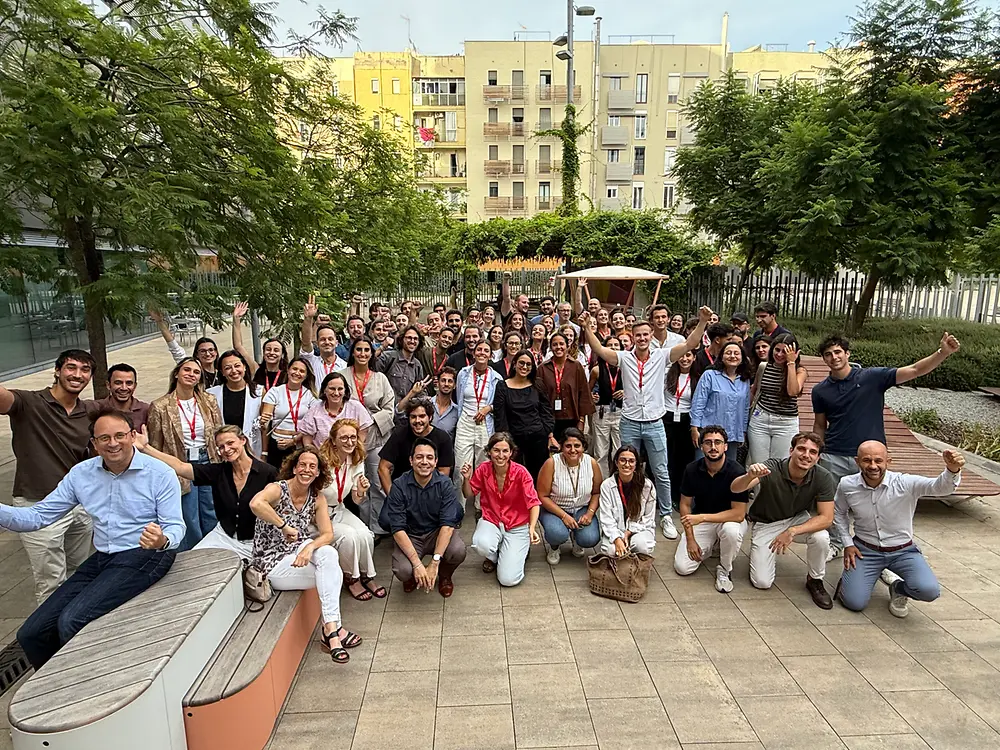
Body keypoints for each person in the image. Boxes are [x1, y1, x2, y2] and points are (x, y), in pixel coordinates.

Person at [4, 408, 182, 669]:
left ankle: (87, 682)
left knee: (72, 620)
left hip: (146, 554)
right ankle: (55, 682)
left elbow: (175, 525)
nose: (113, 443)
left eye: (120, 435)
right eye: (104, 438)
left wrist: (162, 540)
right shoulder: (82, 474)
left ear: (133, 436)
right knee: (31, 633)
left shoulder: (160, 473)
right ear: (94, 444)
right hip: (103, 558)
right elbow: (37, 517)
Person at [812, 331, 961, 559]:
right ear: (824, 359)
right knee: (832, 504)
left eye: (838, 352)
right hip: (834, 456)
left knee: (879, 505)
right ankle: (836, 544)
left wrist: (943, 352)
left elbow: (914, 370)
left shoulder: (872, 377)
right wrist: (817, 452)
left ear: (847, 354)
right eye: (828, 354)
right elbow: (820, 425)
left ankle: (879, 551)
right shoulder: (820, 390)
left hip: (871, 458)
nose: (834, 357)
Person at [582, 308, 712, 541]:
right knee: (627, 468)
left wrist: (702, 321)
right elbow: (599, 349)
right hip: (629, 422)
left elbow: (690, 344)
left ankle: (665, 515)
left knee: (661, 470)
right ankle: (626, 512)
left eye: (645, 334)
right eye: (638, 335)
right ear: (632, 337)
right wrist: (586, 328)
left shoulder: (662, 356)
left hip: (654, 423)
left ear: (651, 336)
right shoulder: (624, 358)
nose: (642, 338)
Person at [0, 350, 99, 603]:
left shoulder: (88, 411)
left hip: (78, 505)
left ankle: (75, 622)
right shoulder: (28, 402)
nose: (77, 374)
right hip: (37, 504)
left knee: (81, 572)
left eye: (85, 370)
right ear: (57, 370)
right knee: (51, 581)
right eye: (71, 367)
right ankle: (49, 628)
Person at [249, 447, 360, 664]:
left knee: (328, 553)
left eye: (312, 466)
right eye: (302, 465)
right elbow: (255, 503)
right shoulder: (278, 489)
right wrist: (283, 526)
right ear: (294, 468)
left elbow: (327, 534)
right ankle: (335, 631)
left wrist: (309, 548)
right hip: (271, 562)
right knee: (331, 573)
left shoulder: (316, 498)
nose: (306, 470)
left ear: (318, 472)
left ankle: (330, 630)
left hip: (298, 552)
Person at [835, 442, 962, 617]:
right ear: (857, 461)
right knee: (854, 602)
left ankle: (898, 588)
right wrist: (847, 543)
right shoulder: (847, 484)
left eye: (878, 460)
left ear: (888, 461)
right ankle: (860, 578)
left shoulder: (905, 483)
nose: (873, 466)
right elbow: (838, 512)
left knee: (929, 591)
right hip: (865, 551)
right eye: (867, 460)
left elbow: (940, 488)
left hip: (903, 551)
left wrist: (952, 470)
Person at [136, 423, 275, 559]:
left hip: (256, 541)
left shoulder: (268, 473)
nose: (226, 449)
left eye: (230, 443)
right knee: (192, 563)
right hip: (223, 536)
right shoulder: (218, 472)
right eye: (221, 447)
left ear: (243, 440)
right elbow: (180, 467)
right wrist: (146, 448)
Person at [731, 432, 836, 609]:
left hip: (797, 519)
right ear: (791, 451)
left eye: (812, 452)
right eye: (801, 449)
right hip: (767, 522)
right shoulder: (772, 466)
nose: (806, 455)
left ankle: (815, 579)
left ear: (818, 458)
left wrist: (792, 531)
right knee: (762, 582)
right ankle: (762, 553)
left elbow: (827, 518)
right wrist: (749, 475)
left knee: (821, 537)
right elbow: (735, 488)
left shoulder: (823, 476)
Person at [147, 357, 222, 550]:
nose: (191, 374)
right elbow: (155, 443)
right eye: (187, 370)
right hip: (179, 461)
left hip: (208, 459)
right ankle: (193, 552)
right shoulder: (160, 406)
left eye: (196, 372)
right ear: (177, 374)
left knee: (211, 508)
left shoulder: (209, 401)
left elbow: (219, 431)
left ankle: (214, 549)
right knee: (188, 512)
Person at [381, 438, 467, 597]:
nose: (424, 462)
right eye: (419, 457)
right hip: (411, 535)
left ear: (436, 462)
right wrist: (417, 564)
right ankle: (412, 577)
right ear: (411, 460)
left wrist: (434, 562)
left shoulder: (445, 484)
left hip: (436, 532)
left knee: (458, 550)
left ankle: (444, 575)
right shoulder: (399, 485)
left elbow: (448, 525)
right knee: (402, 569)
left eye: (429, 457)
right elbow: (397, 528)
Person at [674, 426, 749, 593]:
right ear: (701, 447)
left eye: (718, 442)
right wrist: (690, 539)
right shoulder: (692, 469)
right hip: (703, 522)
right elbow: (685, 505)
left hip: (729, 520)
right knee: (682, 568)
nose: (713, 447)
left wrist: (702, 518)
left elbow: (739, 514)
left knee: (731, 532)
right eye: (708, 443)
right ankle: (714, 544)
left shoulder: (737, 471)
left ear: (725, 446)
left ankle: (724, 569)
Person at [318, 419, 385, 601]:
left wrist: (361, 491)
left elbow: (356, 499)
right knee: (349, 536)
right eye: (344, 438)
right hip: (318, 514)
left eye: (353, 437)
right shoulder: (321, 462)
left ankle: (366, 574)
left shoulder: (355, 459)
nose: (350, 442)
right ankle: (351, 578)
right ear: (333, 440)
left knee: (366, 534)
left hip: (339, 509)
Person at [463, 433, 541, 586]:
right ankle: (495, 555)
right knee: (481, 544)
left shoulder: (521, 472)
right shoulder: (483, 469)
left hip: (517, 525)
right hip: (492, 520)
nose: (500, 455)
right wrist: (466, 478)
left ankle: (515, 551)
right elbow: (468, 493)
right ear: (489, 451)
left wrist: (532, 528)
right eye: (496, 450)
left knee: (508, 580)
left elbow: (534, 503)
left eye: (505, 451)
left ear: (511, 452)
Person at [340, 336, 396, 536]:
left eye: (366, 350)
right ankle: (363, 526)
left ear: (372, 354)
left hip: (376, 437)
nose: (362, 354)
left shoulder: (380, 378)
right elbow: (335, 403)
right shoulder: (342, 376)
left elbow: (390, 408)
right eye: (359, 349)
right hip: (348, 440)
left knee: (377, 482)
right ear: (352, 352)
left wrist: (369, 420)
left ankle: (378, 527)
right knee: (356, 483)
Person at [536, 429, 604, 564]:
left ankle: (577, 538)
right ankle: (554, 547)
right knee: (557, 533)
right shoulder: (551, 463)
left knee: (590, 538)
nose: (573, 450)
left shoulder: (591, 463)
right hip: (555, 509)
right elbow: (542, 496)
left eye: (577, 446)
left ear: (583, 447)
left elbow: (597, 492)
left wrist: (590, 513)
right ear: (561, 447)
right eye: (568, 446)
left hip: (582, 508)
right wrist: (564, 516)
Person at [493, 351, 557, 479]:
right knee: (514, 477)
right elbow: (500, 417)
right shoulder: (502, 386)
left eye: (529, 364)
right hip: (514, 441)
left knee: (538, 477)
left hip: (538, 439)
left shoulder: (537, 384)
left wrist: (546, 432)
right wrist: (506, 441)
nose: (525, 367)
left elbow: (546, 411)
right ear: (514, 364)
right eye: (521, 363)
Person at [747, 333, 807, 466]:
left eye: (784, 351)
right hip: (760, 419)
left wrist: (791, 363)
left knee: (780, 465)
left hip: (785, 422)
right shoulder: (764, 366)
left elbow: (792, 391)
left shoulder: (800, 371)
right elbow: (754, 390)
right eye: (777, 350)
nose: (779, 354)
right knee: (759, 464)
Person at [453, 341, 504, 498]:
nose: (482, 353)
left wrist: (488, 408)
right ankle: (459, 506)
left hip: (485, 424)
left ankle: (480, 505)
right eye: (479, 349)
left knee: (484, 466)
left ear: (490, 355)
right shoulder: (463, 373)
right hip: (466, 422)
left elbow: (500, 403)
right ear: (473, 353)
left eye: (486, 350)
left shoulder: (496, 378)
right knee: (460, 466)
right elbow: (459, 396)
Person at [690, 341, 752, 463]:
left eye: (736, 353)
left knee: (728, 469)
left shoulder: (744, 380)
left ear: (742, 358)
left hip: (732, 434)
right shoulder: (709, 375)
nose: (732, 356)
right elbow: (698, 402)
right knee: (702, 467)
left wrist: (742, 432)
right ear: (721, 357)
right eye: (728, 353)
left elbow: (745, 408)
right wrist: (694, 427)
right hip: (708, 433)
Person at [378, 398, 455, 491]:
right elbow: (383, 467)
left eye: (422, 416)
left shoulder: (443, 438)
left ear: (430, 417)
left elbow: (443, 473)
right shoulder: (399, 435)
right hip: (402, 490)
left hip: (431, 491)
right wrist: (392, 496)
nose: (417, 420)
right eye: (413, 417)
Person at [597, 445, 656, 557]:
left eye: (631, 461)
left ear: (636, 464)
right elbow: (606, 518)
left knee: (642, 546)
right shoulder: (606, 485)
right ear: (616, 463)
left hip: (639, 529)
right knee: (611, 550)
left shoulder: (647, 485)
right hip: (616, 529)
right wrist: (617, 538)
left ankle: (635, 561)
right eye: (623, 460)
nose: (627, 464)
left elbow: (648, 518)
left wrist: (629, 532)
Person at [260, 358, 317, 468]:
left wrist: (293, 441)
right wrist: (264, 452)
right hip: (276, 443)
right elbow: (266, 424)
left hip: (298, 444)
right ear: (288, 370)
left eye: (302, 371)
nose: (297, 373)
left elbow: (311, 426)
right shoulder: (275, 392)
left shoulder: (310, 396)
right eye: (294, 369)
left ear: (306, 375)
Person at [208, 349, 263, 457]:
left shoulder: (259, 391)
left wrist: (264, 453)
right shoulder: (211, 394)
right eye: (227, 368)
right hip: (225, 451)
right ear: (222, 372)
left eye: (237, 366)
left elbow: (264, 426)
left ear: (244, 367)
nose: (234, 371)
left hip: (252, 449)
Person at [539, 332, 594, 439]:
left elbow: (583, 394)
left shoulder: (576, 366)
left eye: (561, 344)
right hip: (549, 419)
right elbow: (539, 396)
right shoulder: (543, 368)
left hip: (572, 418)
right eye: (555, 344)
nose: (558, 347)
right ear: (551, 347)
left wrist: (581, 421)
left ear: (567, 346)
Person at [150, 309, 225, 388]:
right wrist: (160, 322)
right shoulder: (192, 369)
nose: (207, 354)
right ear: (197, 354)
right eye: (203, 351)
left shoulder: (222, 371)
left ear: (216, 352)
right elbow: (175, 348)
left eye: (211, 350)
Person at [299, 372, 373, 449]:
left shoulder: (356, 407)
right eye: (332, 389)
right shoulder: (315, 409)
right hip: (322, 455)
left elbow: (363, 431)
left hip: (351, 453)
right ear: (324, 390)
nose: (336, 393)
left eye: (340, 389)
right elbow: (307, 439)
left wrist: (352, 451)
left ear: (345, 390)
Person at [663, 350, 697, 510]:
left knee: (684, 460)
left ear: (694, 357)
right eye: (682, 355)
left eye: (688, 355)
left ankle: (680, 496)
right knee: (667, 459)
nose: (684, 359)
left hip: (686, 420)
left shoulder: (698, 377)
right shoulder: (667, 374)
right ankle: (666, 496)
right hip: (667, 418)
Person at [231, 302, 289, 393]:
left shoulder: (287, 374)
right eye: (268, 349)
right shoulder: (256, 369)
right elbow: (238, 346)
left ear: (282, 354)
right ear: (264, 352)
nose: (271, 353)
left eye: (276, 350)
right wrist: (236, 319)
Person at [589, 336, 623, 473]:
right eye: (610, 345)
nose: (613, 347)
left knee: (618, 449)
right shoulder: (597, 370)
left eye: (616, 345)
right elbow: (588, 391)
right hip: (602, 412)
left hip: (621, 412)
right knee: (600, 451)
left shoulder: (626, 367)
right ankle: (602, 481)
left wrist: (625, 392)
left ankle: (618, 478)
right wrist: (592, 396)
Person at [300, 296, 347, 386]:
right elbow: (306, 343)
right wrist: (309, 318)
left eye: (330, 339)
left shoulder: (345, 366)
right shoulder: (311, 361)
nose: (327, 342)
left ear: (336, 343)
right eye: (322, 339)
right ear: (317, 343)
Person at [376, 325, 427, 402]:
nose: (412, 341)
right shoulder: (388, 357)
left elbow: (419, 392)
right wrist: (381, 348)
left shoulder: (417, 365)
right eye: (409, 338)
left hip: (405, 407)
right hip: (384, 405)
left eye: (415, 339)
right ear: (401, 339)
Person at [94, 363, 150, 429]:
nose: (124, 388)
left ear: (135, 386)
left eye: (129, 383)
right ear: (108, 385)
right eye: (118, 383)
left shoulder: (146, 410)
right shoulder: (96, 408)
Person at [432, 366, 460, 440]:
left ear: (454, 385)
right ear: (438, 383)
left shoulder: (457, 411)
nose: (446, 384)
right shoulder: (427, 404)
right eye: (443, 380)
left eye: (450, 381)